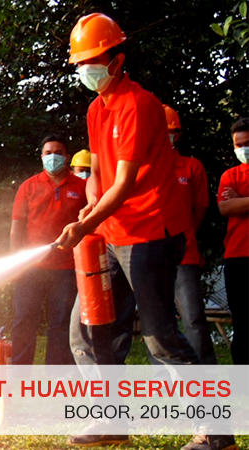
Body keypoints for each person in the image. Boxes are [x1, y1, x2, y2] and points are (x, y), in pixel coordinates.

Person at [56, 14, 235, 449]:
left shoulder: (140, 105)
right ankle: (111, 421)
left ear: (117, 60)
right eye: (80, 62)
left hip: (152, 233)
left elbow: (126, 183)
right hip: (113, 232)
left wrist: (84, 223)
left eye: (93, 60)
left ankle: (217, 431)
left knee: (160, 336)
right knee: (86, 330)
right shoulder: (96, 108)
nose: (85, 70)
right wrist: (92, 217)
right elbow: (99, 175)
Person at [9, 135, 86, 365]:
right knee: (23, 322)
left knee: (61, 325)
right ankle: (20, 375)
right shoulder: (28, 186)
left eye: (58, 153)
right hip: (31, 269)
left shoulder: (81, 187)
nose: (53, 157)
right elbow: (16, 228)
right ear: (41, 156)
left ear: (67, 157)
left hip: (66, 269)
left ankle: (57, 377)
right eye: (48, 153)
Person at [163, 104, 217, 364]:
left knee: (193, 317)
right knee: (158, 320)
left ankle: (205, 376)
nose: (166, 136)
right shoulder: (139, 168)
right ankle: (167, 375)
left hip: (184, 253)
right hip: (148, 254)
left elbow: (200, 208)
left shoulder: (192, 167)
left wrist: (185, 237)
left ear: (177, 134)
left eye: (171, 131)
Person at [219, 117, 248, 365]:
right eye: (238, 145)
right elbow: (225, 208)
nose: (242, 149)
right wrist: (235, 202)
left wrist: (242, 200)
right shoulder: (230, 174)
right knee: (241, 322)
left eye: (247, 143)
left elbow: (234, 205)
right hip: (237, 257)